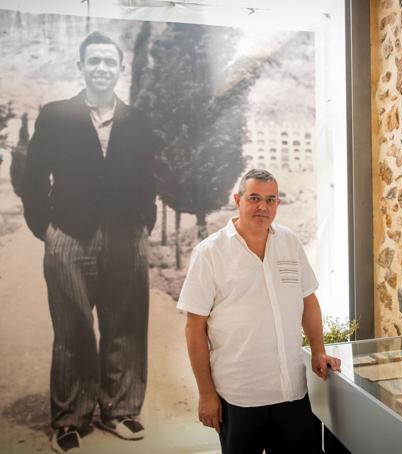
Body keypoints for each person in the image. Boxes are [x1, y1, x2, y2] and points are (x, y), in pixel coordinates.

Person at [21, 32, 158, 453]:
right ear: (81, 66)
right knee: (72, 329)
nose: (101, 68)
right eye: (93, 61)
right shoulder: (56, 115)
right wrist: (45, 228)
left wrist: (143, 225)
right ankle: (71, 417)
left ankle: (120, 410)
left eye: (108, 62)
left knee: (126, 325)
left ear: (119, 68)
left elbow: (148, 177)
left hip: (125, 237)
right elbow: (32, 177)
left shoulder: (137, 120)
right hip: (68, 235)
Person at [177, 169, 341, 454]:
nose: (262, 206)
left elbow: (308, 301)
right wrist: (206, 394)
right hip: (239, 398)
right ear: (238, 200)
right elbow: (194, 328)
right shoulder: (210, 253)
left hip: (291, 393)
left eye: (270, 199)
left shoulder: (289, 242)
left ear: (277, 204)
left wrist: (318, 350)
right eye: (254, 198)